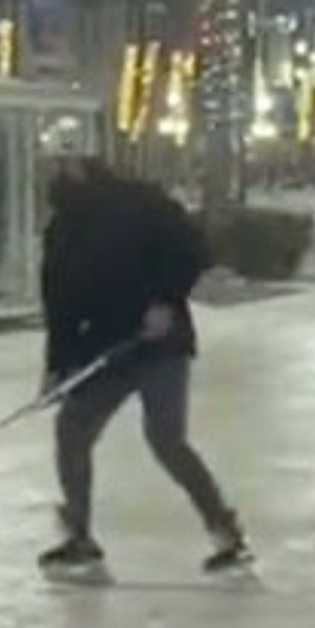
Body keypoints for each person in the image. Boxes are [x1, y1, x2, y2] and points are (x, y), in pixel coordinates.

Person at [37, 157, 250, 579]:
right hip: (107, 349)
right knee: (72, 430)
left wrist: (166, 302)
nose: (58, 175)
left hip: (159, 346)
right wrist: (57, 366)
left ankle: (225, 530)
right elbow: (59, 304)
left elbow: (191, 252)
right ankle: (79, 535)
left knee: (167, 440)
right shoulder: (63, 230)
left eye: (66, 166)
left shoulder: (142, 206)